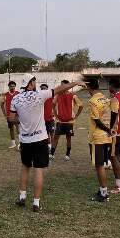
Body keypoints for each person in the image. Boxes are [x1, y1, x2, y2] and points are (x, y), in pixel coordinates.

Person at [9, 74, 85, 212]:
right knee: (38, 169)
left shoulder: (15, 98)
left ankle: (22, 196)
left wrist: (23, 121)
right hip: (40, 139)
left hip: (25, 140)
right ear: (31, 83)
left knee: (25, 167)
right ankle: (36, 203)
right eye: (34, 81)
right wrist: (76, 83)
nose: (36, 83)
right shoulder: (40, 94)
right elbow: (61, 88)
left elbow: (11, 118)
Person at [50, 80, 83, 161]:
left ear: (68, 86)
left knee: (68, 138)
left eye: (63, 85)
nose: (61, 87)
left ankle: (67, 154)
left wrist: (76, 116)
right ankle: (52, 153)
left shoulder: (73, 96)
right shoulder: (58, 95)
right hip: (59, 121)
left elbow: (81, 106)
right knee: (55, 137)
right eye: (61, 85)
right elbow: (53, 104)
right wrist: (55, 114)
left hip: (69, 122)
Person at [1, 81, 21, 149]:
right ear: (8, 87)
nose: (12, 87)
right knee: (11, 129)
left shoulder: (18, 94)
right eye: (11, 86)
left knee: (18, 128)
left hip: (17, 115)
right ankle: (13, 143)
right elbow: (2, 104)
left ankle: (21, 143)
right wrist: (5, 114)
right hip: (9, 115)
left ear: (15, 86)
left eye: (13, 86)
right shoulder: (6, 95)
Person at [40, 83, 55, 151]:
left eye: (44, 88)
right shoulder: (40, 98)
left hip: (51, 119)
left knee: (51, 133)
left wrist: (54, 112)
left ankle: (52, 146)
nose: (43, 90)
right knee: (46, 134)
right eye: (42, 89)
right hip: (43, 119)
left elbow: (55, 104)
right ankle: (49, 145)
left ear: (47, 89)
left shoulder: (51, 96)